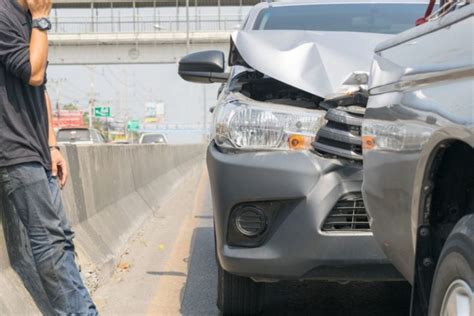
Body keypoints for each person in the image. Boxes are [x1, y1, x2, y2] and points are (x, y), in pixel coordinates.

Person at [0, 0, 97, 314]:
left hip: (37, 149)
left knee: (62, 238)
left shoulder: (29, 18)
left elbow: (41, 91)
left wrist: (52, 145)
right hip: (14, 149)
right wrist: (42, 20)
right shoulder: (4, 15)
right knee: (49, 242)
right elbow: (34, 73)